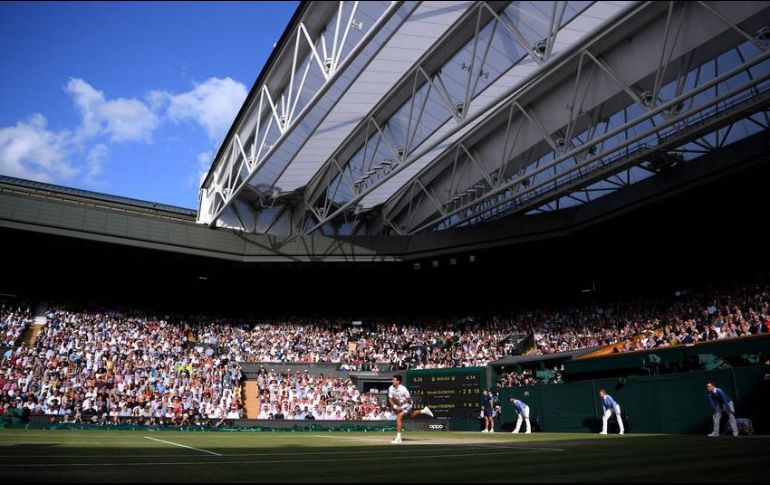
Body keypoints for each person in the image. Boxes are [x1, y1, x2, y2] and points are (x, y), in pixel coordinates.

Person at [388, 375, 434, 444]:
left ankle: (399, 438)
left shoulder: (403, 389)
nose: (392, 381)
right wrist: (395, 406)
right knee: (411, 415)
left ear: (398, 381)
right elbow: (390, 399)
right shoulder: (391, 388)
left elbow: (409, 401)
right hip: (400, 405)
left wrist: (403, 403)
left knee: (398, 417)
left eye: (394, 380)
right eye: (392, 380)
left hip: (408, 405)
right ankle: (424, 410)